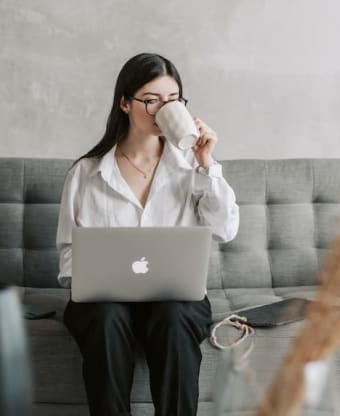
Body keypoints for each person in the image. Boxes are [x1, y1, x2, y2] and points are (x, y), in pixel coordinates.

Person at [55, 53, 240, 416]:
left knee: (173, 319)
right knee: (107, 320)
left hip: (174, 300)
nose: (162, 110)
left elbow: (225, 230)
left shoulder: (192, 168)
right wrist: (95, 276)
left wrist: (207, 164)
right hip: (104, 303)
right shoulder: (87, 173)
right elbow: (67, 258)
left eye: (173, 101)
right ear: (125, 103)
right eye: (150, 100)